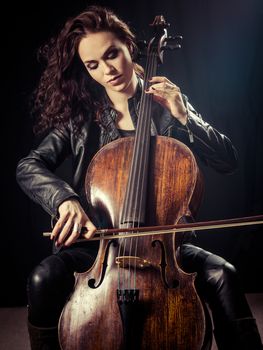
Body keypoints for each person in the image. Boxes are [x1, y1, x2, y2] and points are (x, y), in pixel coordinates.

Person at [16, 5, 262, 350]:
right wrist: (64, 199)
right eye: (93, 65)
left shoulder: (168, 104)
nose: (107, 70)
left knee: (224, 274)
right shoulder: (81, 119)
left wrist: (186, 118)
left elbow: (228, 161)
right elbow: (29, 165)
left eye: (112, 54)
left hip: (165, 249)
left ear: (130, 46)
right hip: (101, 249)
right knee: (42, 277)